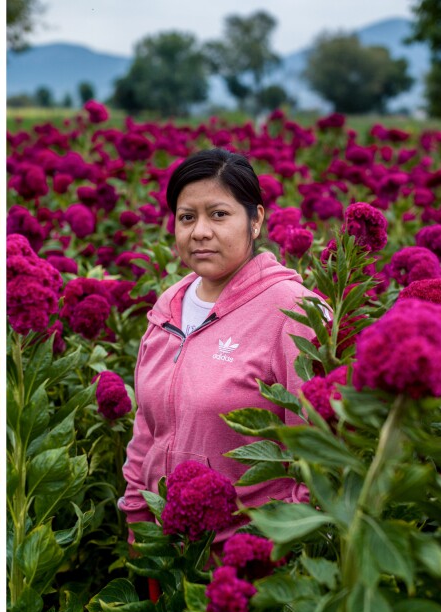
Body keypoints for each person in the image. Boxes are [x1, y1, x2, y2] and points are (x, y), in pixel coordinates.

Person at [119, 148, 317, 542]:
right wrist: (138, 517)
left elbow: (319, 449)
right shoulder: (167, 307)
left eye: (219, 214)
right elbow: (147, 428)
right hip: (167, 543)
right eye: (187, 217)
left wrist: (283, 541)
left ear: (255, 219)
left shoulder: (294, 311)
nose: (200, 232)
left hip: (252, 554)